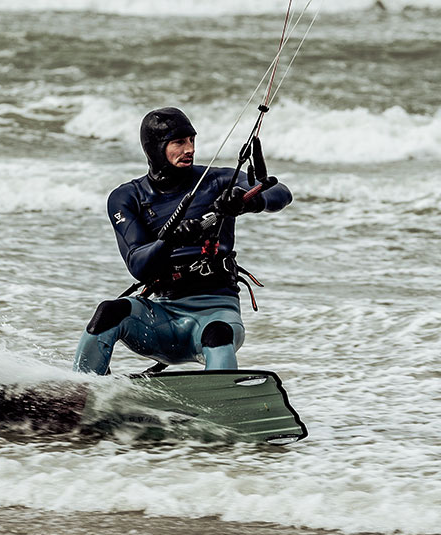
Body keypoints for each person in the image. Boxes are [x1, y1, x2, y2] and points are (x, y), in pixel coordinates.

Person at [73, 106, 292, 375]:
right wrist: (170, 241)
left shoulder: (216, 181)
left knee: (218, 334)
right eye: (178, 142)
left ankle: (222, 404)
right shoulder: (127, 197)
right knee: (108, 312)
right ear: (155, 148)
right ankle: (79, 392)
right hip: (162, 320)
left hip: (216, 313)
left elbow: (281, 194)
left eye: (191, 140)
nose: (189, 148)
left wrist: (250, 201)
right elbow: (138, 264)